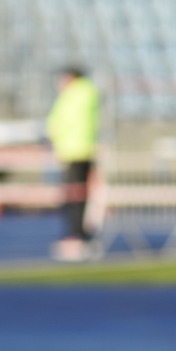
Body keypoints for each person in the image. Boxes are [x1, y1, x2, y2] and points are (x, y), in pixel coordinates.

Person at [47, 65, 100, 262]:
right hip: (84, 149)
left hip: (73, 150)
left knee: (74, 196)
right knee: (80, 196)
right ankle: (80, 234)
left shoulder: (72, 95)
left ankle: (75, 236)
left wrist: (53, 137)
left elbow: (57, 122)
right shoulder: (89, 92)